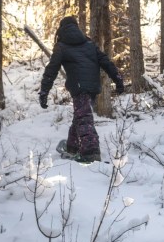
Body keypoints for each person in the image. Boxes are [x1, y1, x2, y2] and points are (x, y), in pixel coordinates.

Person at [39, 16, 124, 162]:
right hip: (93, 87)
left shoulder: (61, 46)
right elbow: (106, 62)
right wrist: (118, 79)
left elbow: (51, 69)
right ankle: (72, 146)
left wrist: (44, 91)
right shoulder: (89, 43)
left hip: (79, 86)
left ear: (61, 29)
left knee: (83, 118)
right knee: (80, 115)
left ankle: (90, 152)